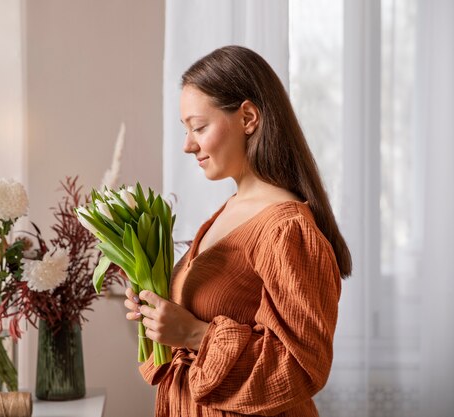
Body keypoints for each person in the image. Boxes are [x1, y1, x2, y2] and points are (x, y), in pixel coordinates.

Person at [124, 45, 352, 417]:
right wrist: (156, 308)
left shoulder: (286, 228)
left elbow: (301, 367)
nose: (187, 144)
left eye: (198, 127)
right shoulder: (225, 213)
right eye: (185, 130)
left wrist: (193, 334)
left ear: (247, 117)